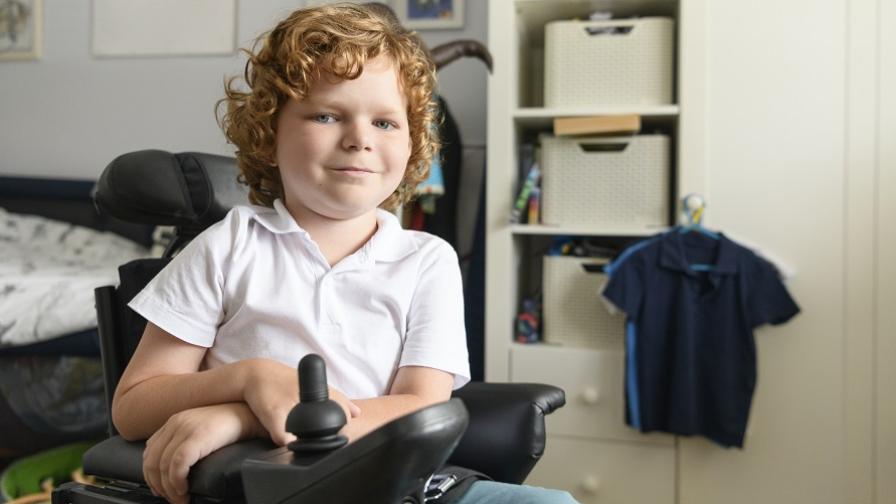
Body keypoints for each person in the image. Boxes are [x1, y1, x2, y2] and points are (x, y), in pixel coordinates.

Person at [111, 4, 577, 504]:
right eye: (327, 115)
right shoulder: (226, 247)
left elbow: (421, 405)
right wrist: (251, 377)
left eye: (385, 122)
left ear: (413, 141)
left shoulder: (427, 261)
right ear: (270, 135)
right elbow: (135, 406)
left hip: (398, 481)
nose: (359, 140)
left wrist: (245, 414)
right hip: (264, 486)